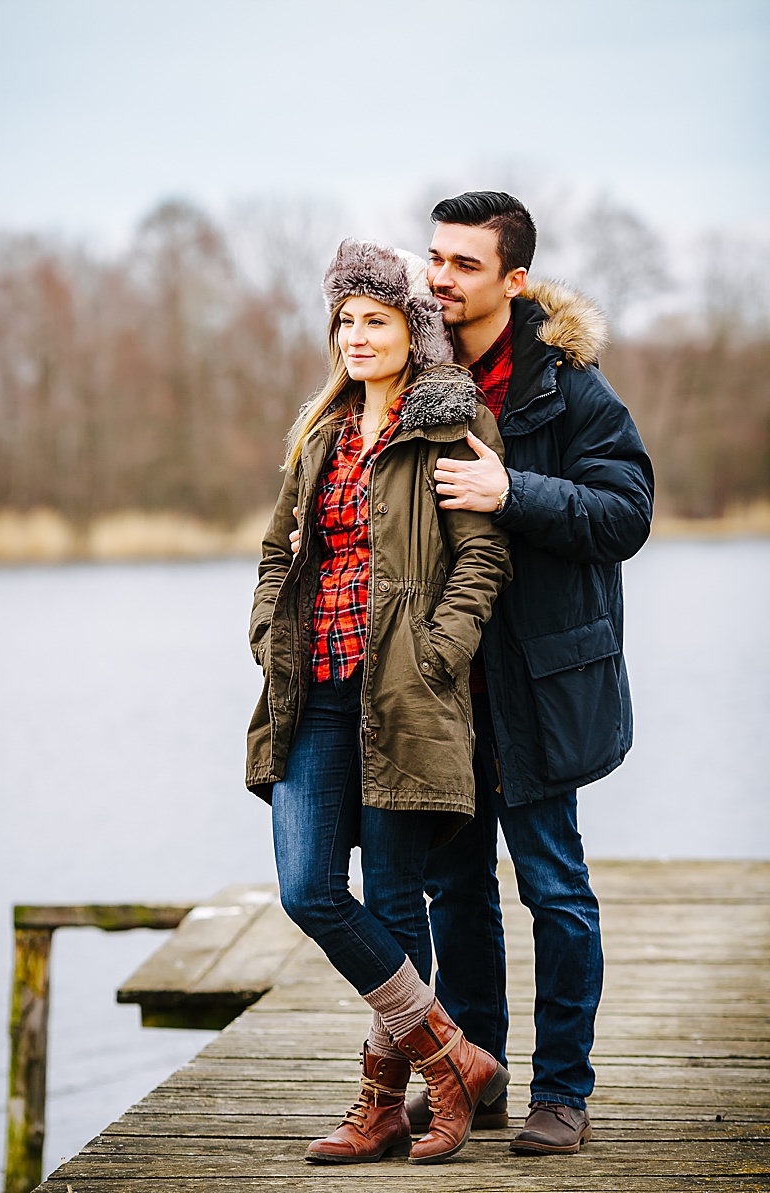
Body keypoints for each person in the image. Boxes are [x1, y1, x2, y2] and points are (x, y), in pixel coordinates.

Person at [246, 239, 512, 1164]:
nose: (357, 337)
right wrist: (263, 627)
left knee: (397, 900)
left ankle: (380, 1106)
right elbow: (280, 548)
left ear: (412, 330)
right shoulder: (320, 432)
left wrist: (441, 652)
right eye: (345, 323)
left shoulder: (448, 422)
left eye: (376, 321)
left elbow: (483, 554)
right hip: (312, 690)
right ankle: (453, 1057)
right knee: (309, 887)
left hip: (404, 690)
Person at [410, 191, 654, 1156]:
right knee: (456, 896)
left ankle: (563, 1092)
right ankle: (484, 1082)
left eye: (464, 264)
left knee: (554, 889)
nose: (440, 278)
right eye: (435, 258)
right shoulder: (411, 370)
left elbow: (626, 513)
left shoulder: (569, 386)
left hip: (538, 691)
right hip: (440, 694)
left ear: (515, 281)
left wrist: (513, 491)